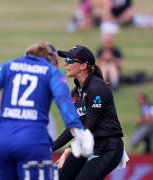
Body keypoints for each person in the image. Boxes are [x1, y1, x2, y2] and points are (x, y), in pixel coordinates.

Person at [0, 43, 94, 180]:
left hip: (2, 142)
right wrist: (78, 130)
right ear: (51, 60)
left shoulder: (7, 66)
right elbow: (64, 102)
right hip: (33, 142)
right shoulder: (51, 72)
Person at [53, 45, 128, 180]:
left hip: (108, 147)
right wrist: (50, 147)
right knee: (58, 177)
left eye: (70, 60)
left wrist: (70, 148)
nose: (65, 64)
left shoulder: (98, 88)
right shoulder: (76, 92)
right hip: (88, 144)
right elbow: (75, 127)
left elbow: (89, 124)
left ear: (83, 65)